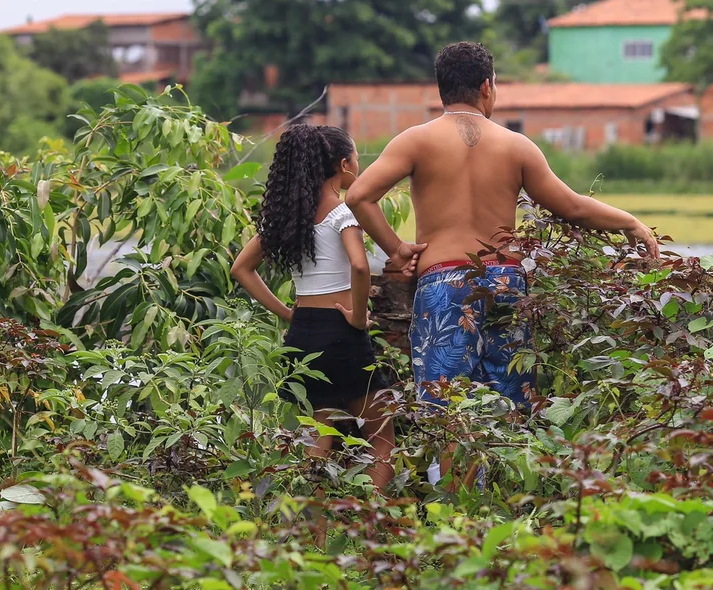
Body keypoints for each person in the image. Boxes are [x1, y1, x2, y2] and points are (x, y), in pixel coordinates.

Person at [346, 41, 658, 485]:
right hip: (506, 282)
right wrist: (630, 222)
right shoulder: (516, 146)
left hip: (445, 283)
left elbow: (358, 196)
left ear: (441, 90)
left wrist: (397, 248)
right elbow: (572, 207)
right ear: (487, 88)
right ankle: (505, 512)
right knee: (509, 404)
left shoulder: (415, 141)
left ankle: (456, 515)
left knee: (447, 409)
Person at [231, 123, 411, 493]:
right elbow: (360, 267)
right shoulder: (343, 214)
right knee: (381, 435)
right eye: (358, 159)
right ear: (344, 165)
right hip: (342, 332)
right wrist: (359, 316)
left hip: (303, 334)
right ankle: (369, 523)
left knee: (316, 441)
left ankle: (314, 534)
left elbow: (241, 269)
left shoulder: (286, 218)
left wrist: (288, 313)